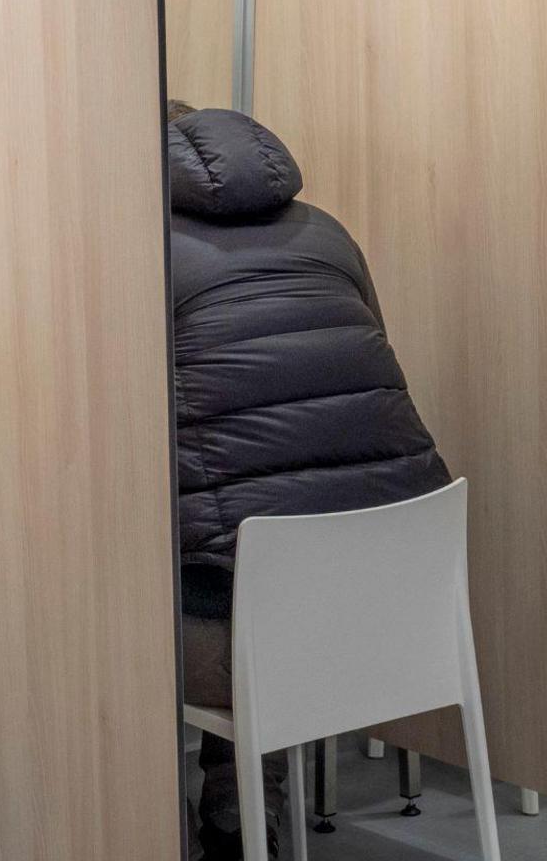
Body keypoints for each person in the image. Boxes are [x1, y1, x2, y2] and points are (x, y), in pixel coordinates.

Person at [165, 104, 452, 861]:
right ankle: (242, 805)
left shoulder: (140, 253)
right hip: (407, 625)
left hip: (260, 644)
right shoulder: (327, 232)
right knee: (259, 540)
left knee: (117, 597)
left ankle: (137, 820)